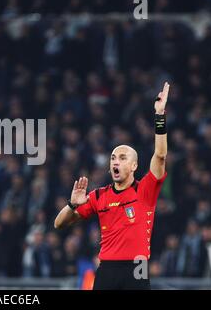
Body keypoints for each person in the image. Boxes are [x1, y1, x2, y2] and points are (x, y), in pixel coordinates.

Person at [54, 82, 170, 290]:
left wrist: (159, 116)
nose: (116, 162)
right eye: (113, 158)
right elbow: (58, 225)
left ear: (134, 165)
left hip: (137, 267)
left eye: (123, 158)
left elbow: (160, 155)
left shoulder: (145, 191)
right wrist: (72, 205)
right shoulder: (99, 196)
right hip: (107, 268)